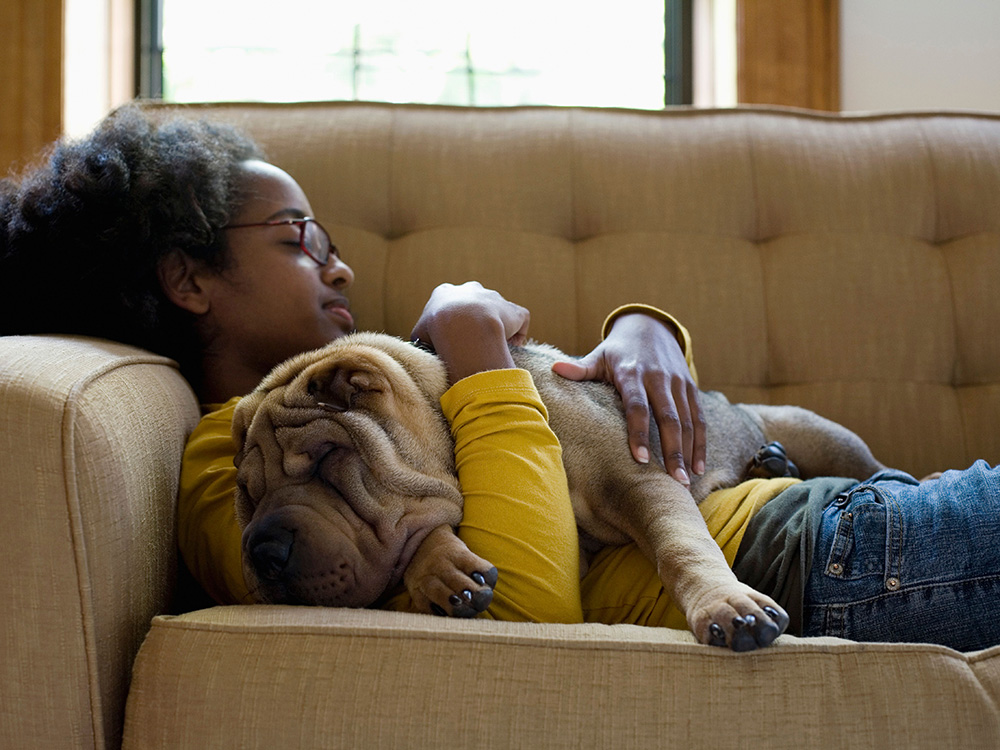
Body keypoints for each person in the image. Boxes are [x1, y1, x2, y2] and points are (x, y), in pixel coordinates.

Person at [3, 105, 999, 652]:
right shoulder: (228, 465)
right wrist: (476, 354)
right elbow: (521, 605)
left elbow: (588, 422)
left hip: (803, 500)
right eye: (300, 240)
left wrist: (643, 327)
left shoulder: (372, 376)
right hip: (807, 557)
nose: (338, 266)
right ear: (186, 279)